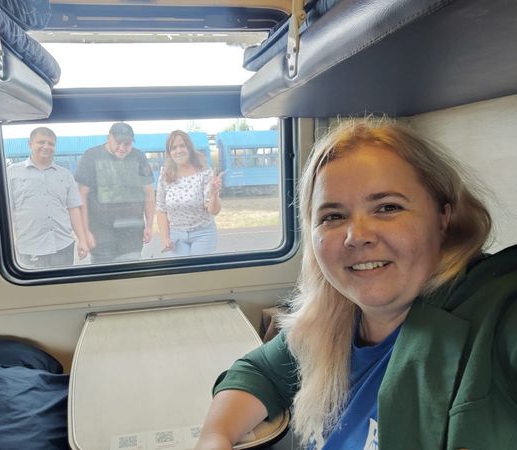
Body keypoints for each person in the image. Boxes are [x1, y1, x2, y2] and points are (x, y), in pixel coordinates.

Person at [195, 119, 517, 450]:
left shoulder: (494, 316)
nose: (357, 236)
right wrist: (215, 437)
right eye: (333, 216)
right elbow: (258, 371)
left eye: (388, 208)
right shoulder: (333, 318)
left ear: (443, 218)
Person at [6, 127, 89, 268]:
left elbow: (73, 209)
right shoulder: (12, 173)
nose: (46, 146)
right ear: (30, 144)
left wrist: (82, 240)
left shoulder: (65, 175)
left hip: (63, 246)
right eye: (41, 142)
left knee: (64, 282)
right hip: (30, 247)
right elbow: (7, 212)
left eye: (51, 143)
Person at [75, 122, 155, 263]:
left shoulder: (139, 157)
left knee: (130, 272)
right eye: (118, 142)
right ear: (108, 138)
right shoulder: (91, 156)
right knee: (104, 273)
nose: (122, 148)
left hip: (132, 232)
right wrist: (85, 232)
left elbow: (149, 194)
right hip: (100, 232)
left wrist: (149, 225)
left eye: (127, 144)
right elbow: (82, 196)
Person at [156, 130, 223, 256]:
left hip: (203, 234)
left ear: (189, 148)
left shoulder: (204, 172)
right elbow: (161, 209)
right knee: (180, 269)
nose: (178, 150)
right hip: (176, 235)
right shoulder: (165, 175)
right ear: (169, 153)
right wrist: (165, 239)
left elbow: (214, 211)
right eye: (174, 148)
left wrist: (214, 194)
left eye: (182, 146)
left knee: (198, 268)